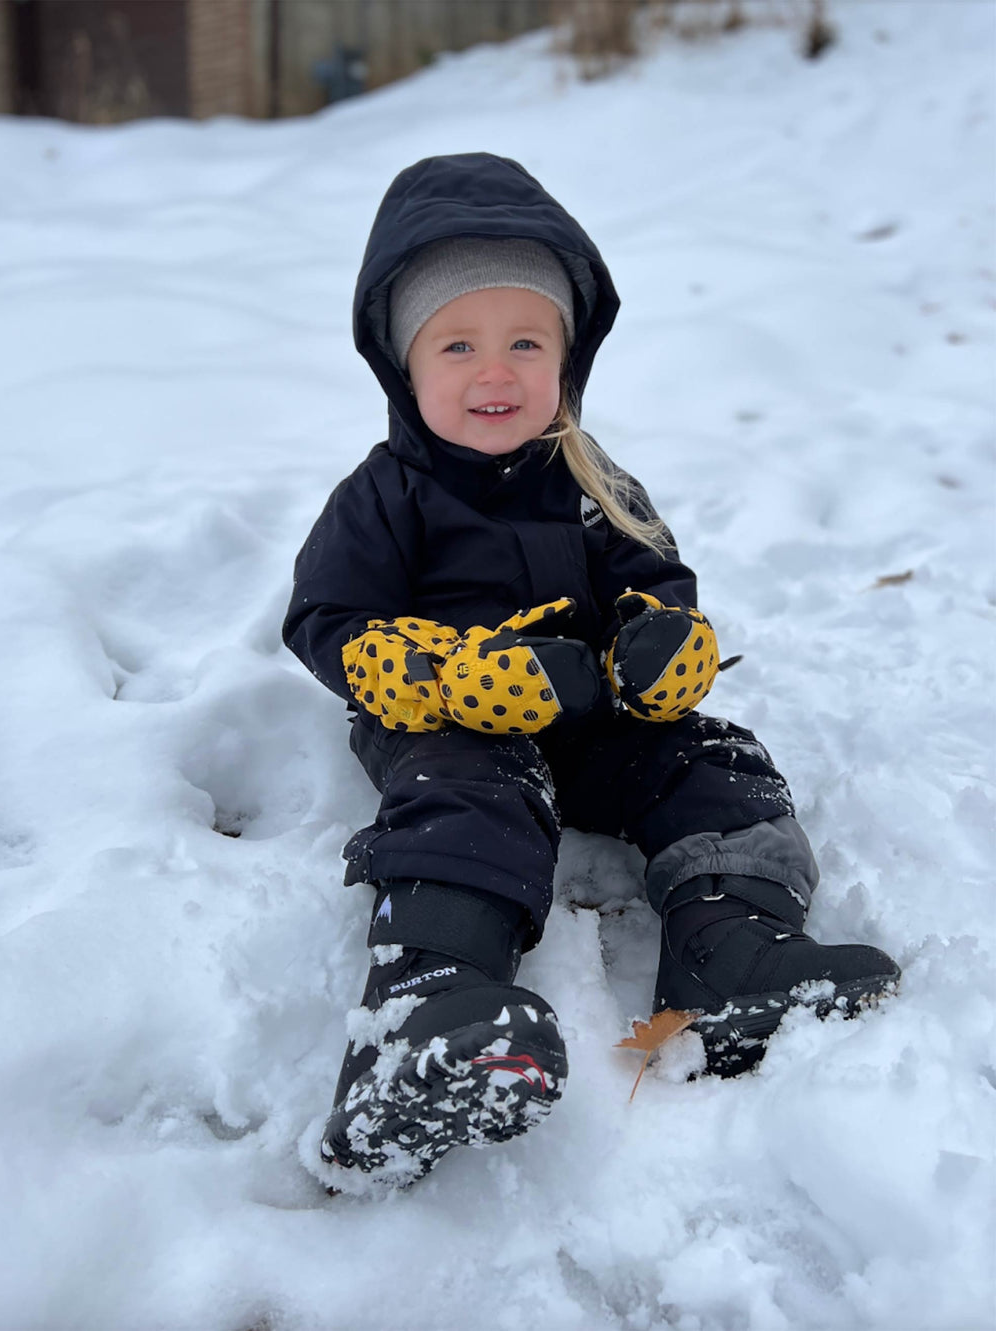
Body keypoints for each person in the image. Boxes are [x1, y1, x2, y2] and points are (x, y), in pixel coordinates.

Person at [283, 152, 899, 1184]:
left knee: (712, 759)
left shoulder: (590, 477)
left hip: (589, 720)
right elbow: (328, 621)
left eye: (526, 342)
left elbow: (657, 580)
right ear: (403, 364)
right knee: (465, 794)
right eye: (458, 344)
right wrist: (446, 674)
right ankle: (426, 1006)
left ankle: (730, 949)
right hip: (452, 726)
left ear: (568, 357)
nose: (496, 372)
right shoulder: (385, 495)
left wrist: (662, 643)